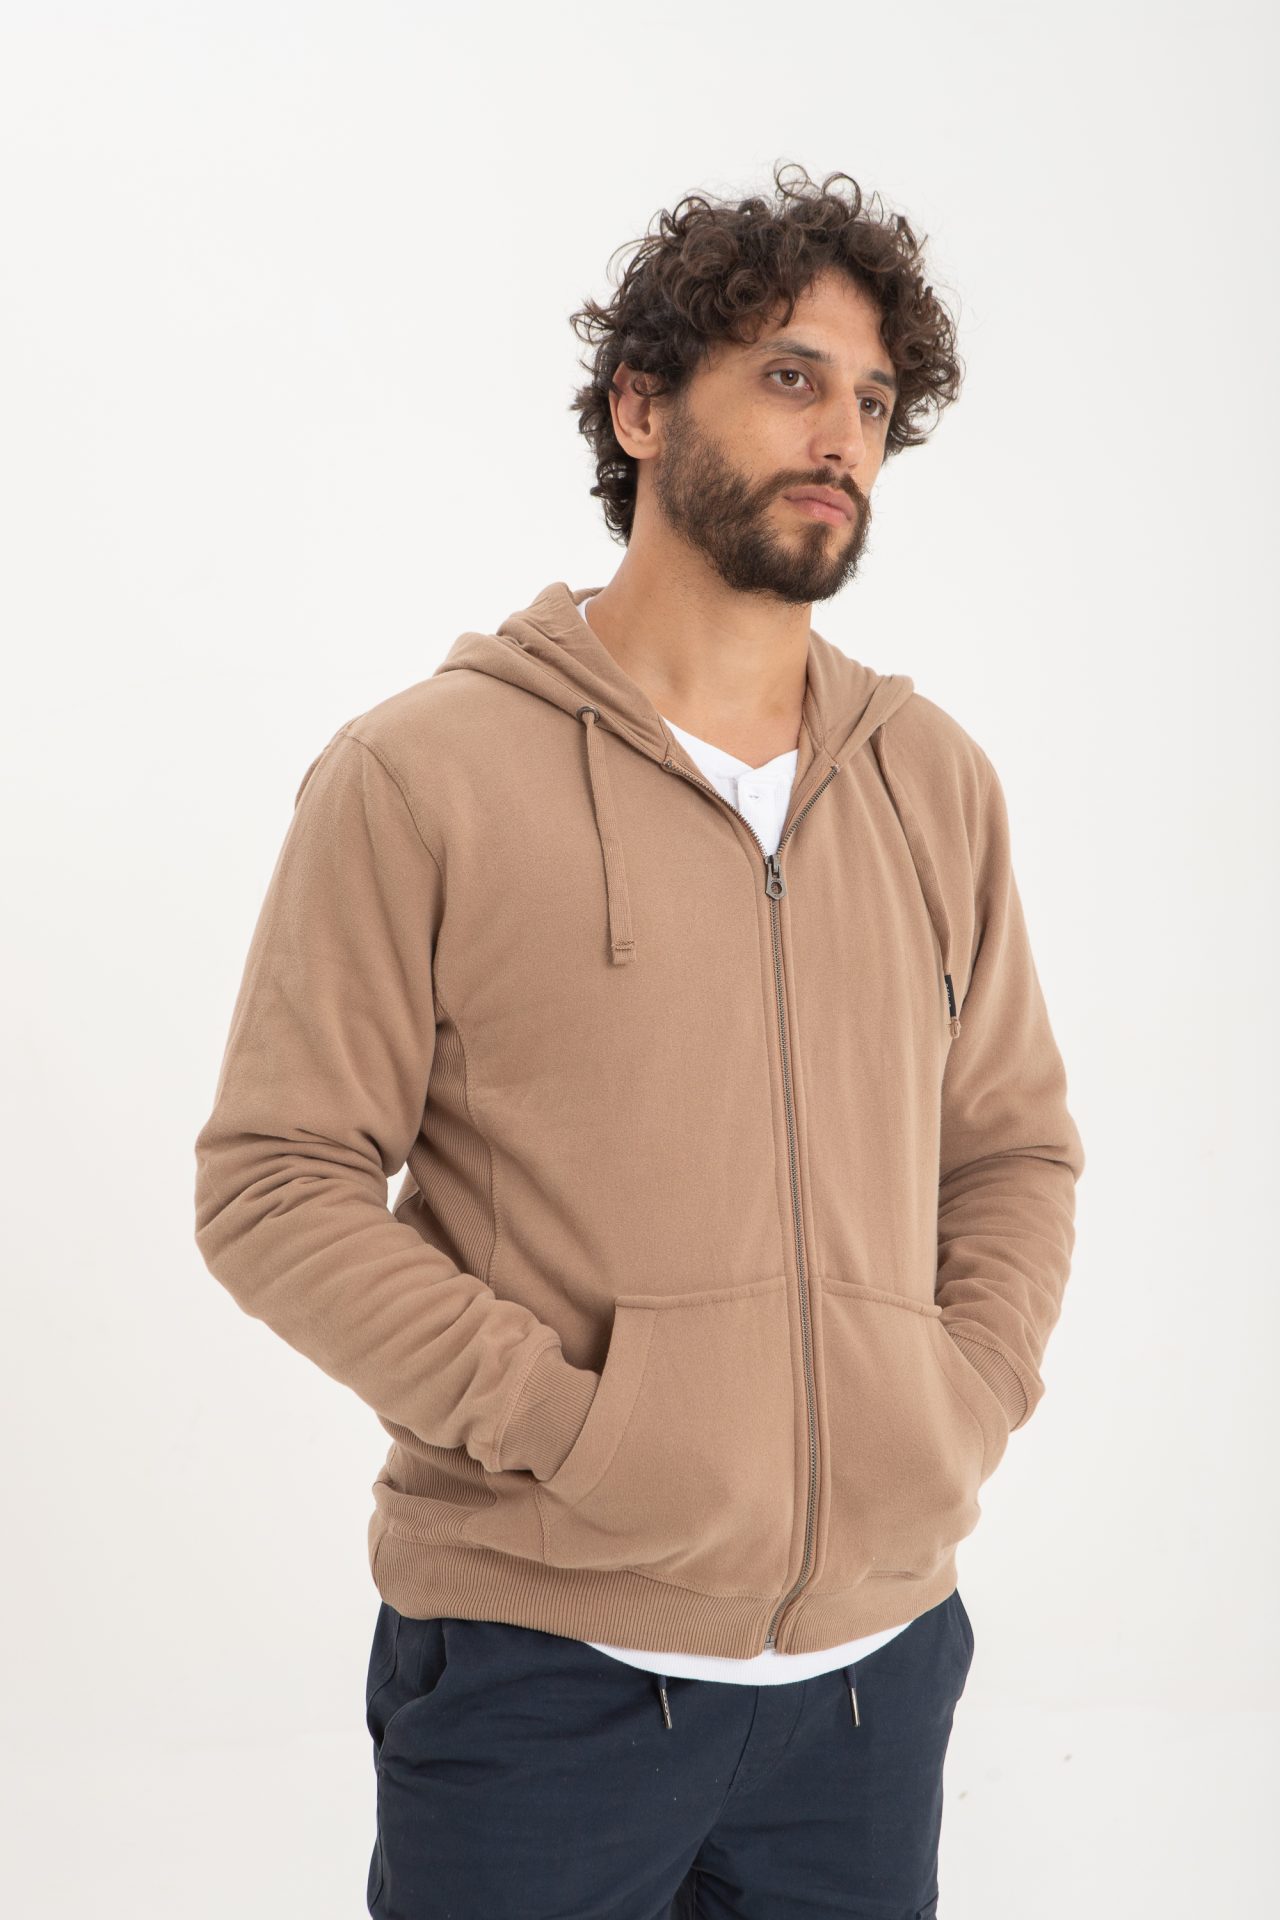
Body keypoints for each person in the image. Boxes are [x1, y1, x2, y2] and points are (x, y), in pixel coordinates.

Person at [193, 161, 1085, 1919]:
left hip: (873, 1687)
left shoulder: (933, 785)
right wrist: (572, 1425)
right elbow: (273, 1187)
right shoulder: (422, 776)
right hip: (541, 1676)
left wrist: (959, 1402)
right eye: (789, 377)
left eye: (873, 401)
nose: (841, 435)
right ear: (641, 408)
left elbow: (1013, 1149)